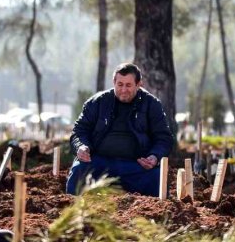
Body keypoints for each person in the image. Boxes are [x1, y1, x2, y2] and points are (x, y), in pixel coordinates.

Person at [67, 62, 174, 196]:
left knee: (156, 177)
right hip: (99, 162)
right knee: (79, 170)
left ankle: (152, 212)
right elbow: (79, 131)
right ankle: (73, 209)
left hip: (135, 165)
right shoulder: (97, 102)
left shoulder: (152, 105)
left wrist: (154, 156)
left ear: (139, 84)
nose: (123, 90)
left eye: (128, 85)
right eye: (120, 84)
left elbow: (164, 138)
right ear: (114, 82)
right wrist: (81, 147)